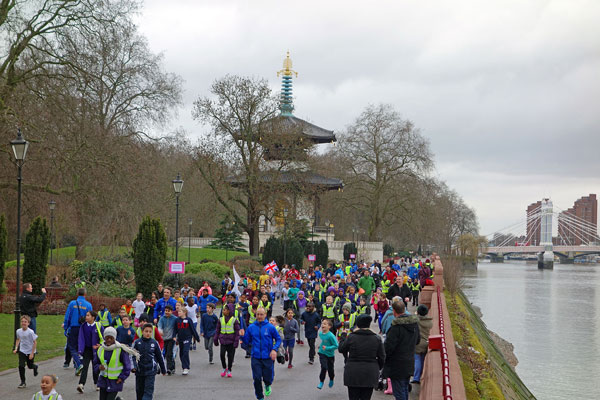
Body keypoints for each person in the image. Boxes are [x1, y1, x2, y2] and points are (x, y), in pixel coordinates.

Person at [338, 314, 385, 400]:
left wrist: (343, 336)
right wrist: (376, 366)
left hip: (353, 372)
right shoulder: (376, 339)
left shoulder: (352, 337)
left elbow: (341, 348)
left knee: (353, 397)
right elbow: (382, 357)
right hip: (370, 372)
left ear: (358, 324)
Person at [242, 307, 281, 400]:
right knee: (257, 378)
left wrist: (274, 349)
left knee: (267, 378)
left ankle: (267, 384)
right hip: (255, 357)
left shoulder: (270, 327)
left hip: (267, 356)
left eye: (261, 314)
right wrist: (242, 336)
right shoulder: (251, 327)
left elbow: (278, 339)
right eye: (258, 314)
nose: (259, 316)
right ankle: (260, 397)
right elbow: (246, 341)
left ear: (265, 315)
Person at [383, 301, 420, 400]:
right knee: (404, 388)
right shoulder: (414, 325)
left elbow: (388, 347)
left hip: (397, 365)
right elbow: (417, 341)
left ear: (394, 311)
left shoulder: (396, 327)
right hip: (409, 361)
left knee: (399, 392)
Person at [93, 326, 136, 400]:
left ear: (114, 338)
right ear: (104, 338)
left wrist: (122, 378)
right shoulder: (100, 349)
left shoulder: (120, 350)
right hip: (103, 380)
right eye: (107, 338)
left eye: (111, 338)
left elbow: (127, 366)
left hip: (115, 381)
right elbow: (95, 364)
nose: (109, 340)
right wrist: (99, 367)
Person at [63, 288, 93, 375]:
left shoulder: (72, 303)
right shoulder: (88, 305)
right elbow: (91, 317)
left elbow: (67, 316)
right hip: (83, 328)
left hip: (74, 327)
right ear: (85, 294)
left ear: (77, 294)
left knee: (71, 346)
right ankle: (78, 367)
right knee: (81, 347)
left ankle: (79, 364)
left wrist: (66, 327)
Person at [133, 323, 167, 400]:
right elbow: (132, 356)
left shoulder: (154, 343)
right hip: (139, 371)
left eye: (150, 332)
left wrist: (163, 370)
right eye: (146, 331)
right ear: (142, 332)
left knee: (148, 392)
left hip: (151, 371)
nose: (148, 333)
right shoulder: (137, 342)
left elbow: (160, 357)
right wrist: (134, 366)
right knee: (139, 392)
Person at [77, 310, 104, 393]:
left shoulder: (98, 326)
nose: (86, 317)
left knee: (95, 367)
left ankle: (96, 383)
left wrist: (101, 345)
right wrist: (80, 349)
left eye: (88, 315)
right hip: (87, 350)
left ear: (93, 317)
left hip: (96, 350)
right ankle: (81, 384)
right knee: (85, 366)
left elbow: (103, 337)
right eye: (86, 315)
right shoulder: (83, 326)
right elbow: (81, 338)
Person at [214, 303, 240, 378]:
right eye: (223, 310)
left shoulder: (234, 320)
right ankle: (224, 367)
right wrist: (216, 339)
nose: (223, 311)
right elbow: (217, 330)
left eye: (225, 310)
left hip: (231, 341)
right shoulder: (220, 319)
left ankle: (229, 369)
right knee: (222, 354)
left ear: (229, 311)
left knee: (230, 356)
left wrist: (236, 342)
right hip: (223, 341)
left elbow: (237, 332)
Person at [14, 315, 38, 389]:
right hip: (22, 350)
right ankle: (23, 382)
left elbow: (35, 342)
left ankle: (35, 367)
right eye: (22, 322)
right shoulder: (18, 331)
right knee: (21, 365)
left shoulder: (30, 332)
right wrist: (16, 348)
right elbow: (18, 339)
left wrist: (31, 353)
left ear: (28, 323)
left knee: (30, 366)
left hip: (30, 350)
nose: (23, 323)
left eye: (25, 322)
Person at [174, 307, 200, 375]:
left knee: (185, 352)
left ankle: (186, 367)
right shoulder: (177, 320)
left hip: (187, 338)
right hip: (180, 339)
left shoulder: (188, 320)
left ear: (184, 312)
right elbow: (175, 330)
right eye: (178, 311)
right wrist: (174, 337)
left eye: (180, 311)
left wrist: (197, 338)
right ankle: (184, 365)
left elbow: (193, 329)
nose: (178, 313)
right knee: (181, 353)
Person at [412, 305, 432, 384]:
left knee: (417, 360)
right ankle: (420, 376)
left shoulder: (416, 320)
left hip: (418, 342)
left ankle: (416, 378)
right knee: (422, 360)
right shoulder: (429, 322)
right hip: (426, 342)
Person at [317, 319, 338, 389]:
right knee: (324, 367)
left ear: (329, 326)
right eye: (322, 323)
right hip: (322, 353)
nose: (323, 325)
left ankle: (331, 379)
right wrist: (321, 346)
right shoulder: (320, 334)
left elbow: (336, 345)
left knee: (330, 370)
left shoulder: (331, 336)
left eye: (325, 324)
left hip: (330, 355)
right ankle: (321, 381)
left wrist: (327, 348)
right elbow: (323, 341)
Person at [157, 305, 177, 375]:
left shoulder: (175, 319)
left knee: (169, 353)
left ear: (171, 311)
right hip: (164, 338)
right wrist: (160, 331)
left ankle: (170, 368)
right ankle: (168, 367)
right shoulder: (162, 318)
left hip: (171, 338)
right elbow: (159, 326)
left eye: (168, 311)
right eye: (166, 311)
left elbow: (177, 327)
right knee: (164, 353)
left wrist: (176, 337)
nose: (167, 312)